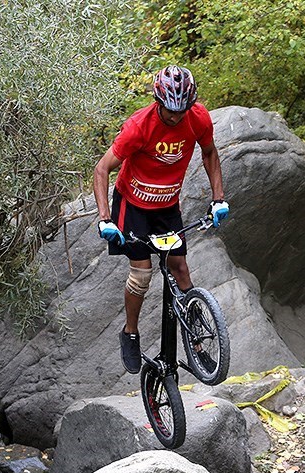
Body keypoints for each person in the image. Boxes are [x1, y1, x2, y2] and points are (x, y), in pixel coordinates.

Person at [93, 65, 229, 374]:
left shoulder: (197, 119)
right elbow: (102, 169)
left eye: (181, 111)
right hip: (133, 205)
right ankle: (130, 332)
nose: (175, 118)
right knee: (141, 276)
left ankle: (197, 343)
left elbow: (209, 153)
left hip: (167, 205)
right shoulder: (138, 127)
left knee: (180, 268)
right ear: (158, 101)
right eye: (170, 111)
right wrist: (105, 219)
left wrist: (219, 199)